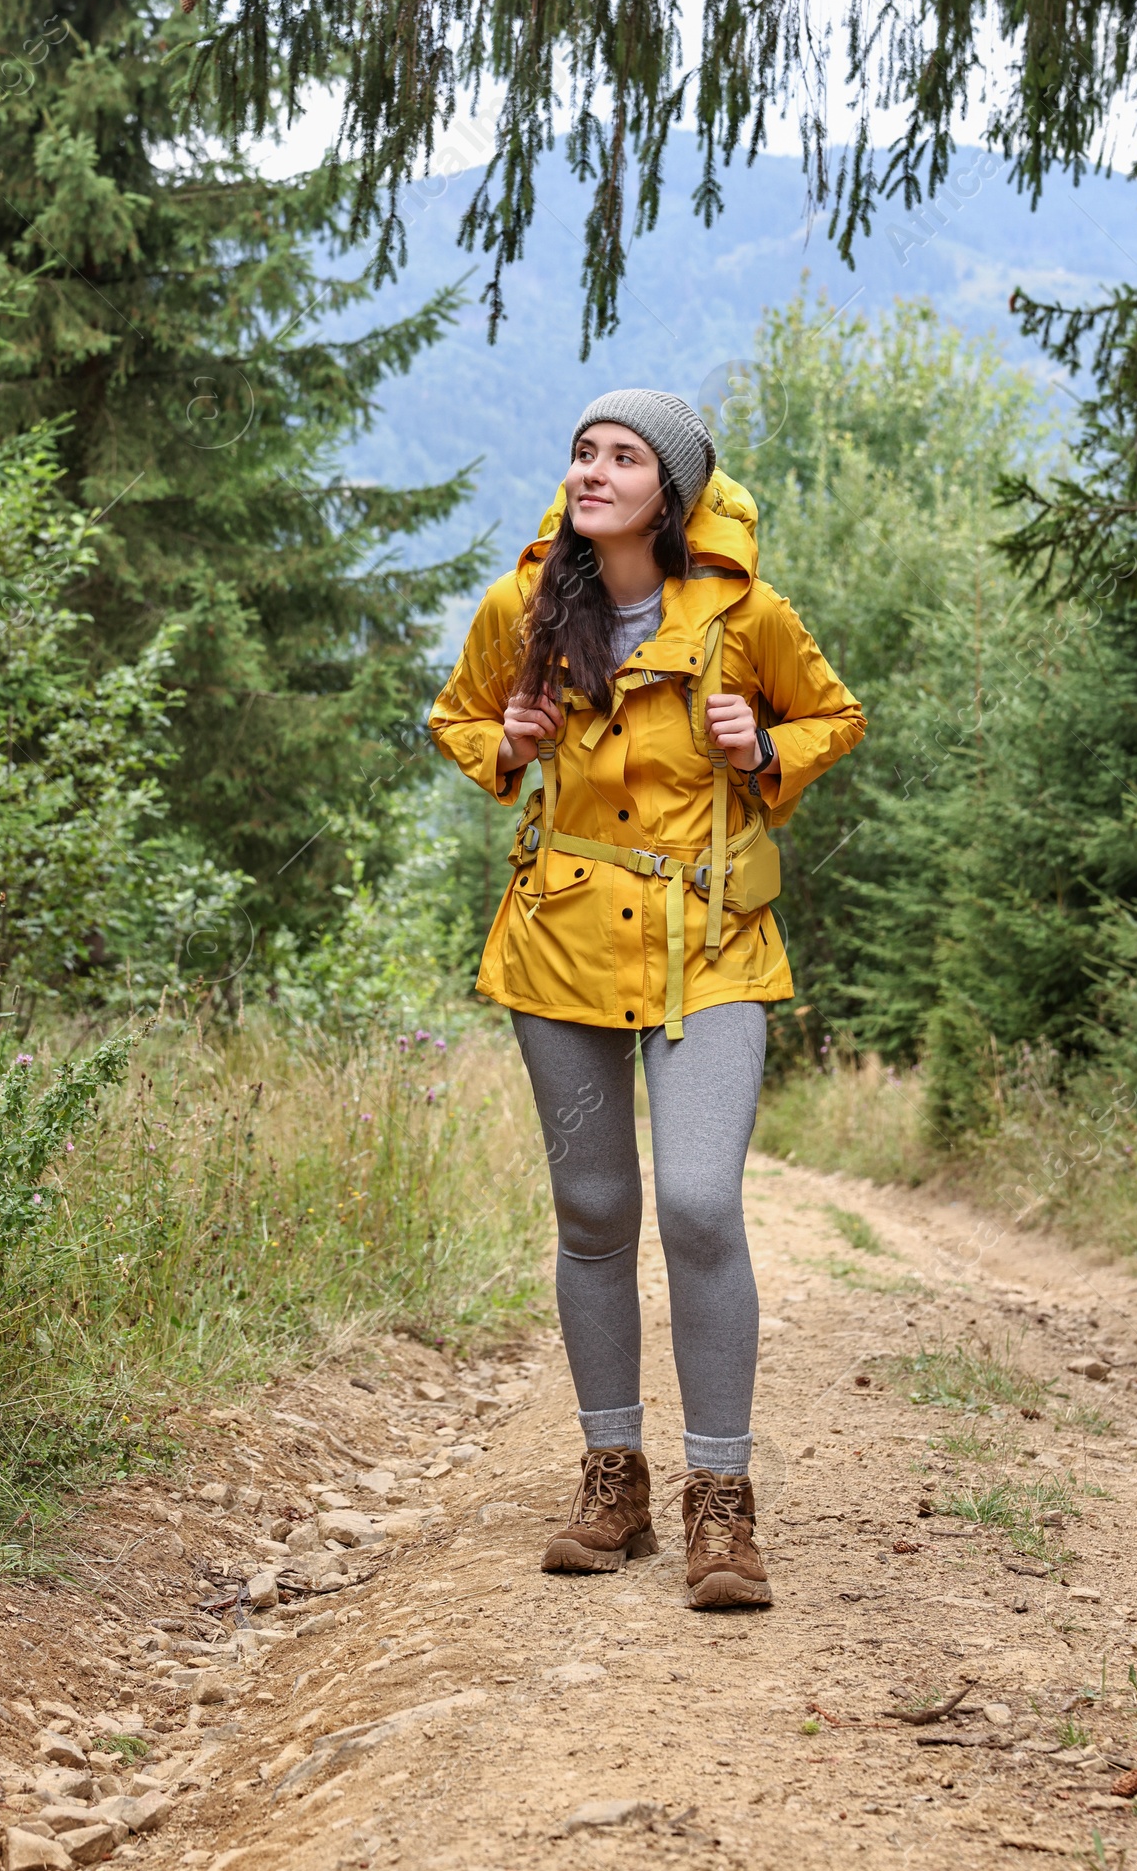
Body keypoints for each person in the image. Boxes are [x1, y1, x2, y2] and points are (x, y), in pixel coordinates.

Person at [429, 388, 864, 1610]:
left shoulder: (745, 614)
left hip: (710, 944)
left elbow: (836, 712)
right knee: (591, 1203)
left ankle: (720, 1502)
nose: (593, 469)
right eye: (581, 450)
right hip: (559, 942)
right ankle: (610, 1476)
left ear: (669, 493)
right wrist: (506, 743)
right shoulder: (523, 605)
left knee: (697, 1205)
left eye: (623, 456)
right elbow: (458, 717)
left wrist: (762, 748)